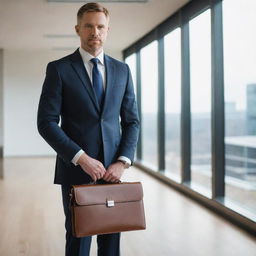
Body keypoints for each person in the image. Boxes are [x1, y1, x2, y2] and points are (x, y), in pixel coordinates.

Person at [37, 2, 139, 256]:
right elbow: (46, 122)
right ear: (78, 29)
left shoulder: (122, 70)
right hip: (76, 171)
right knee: (78, 239)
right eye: (89, 26)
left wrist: (122, 162)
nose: (95, 32)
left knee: (111, 239)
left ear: (107, 30)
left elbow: (131, 121)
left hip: (112, 172)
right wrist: (81, 158)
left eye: (101, 27)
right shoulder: (59, 69)